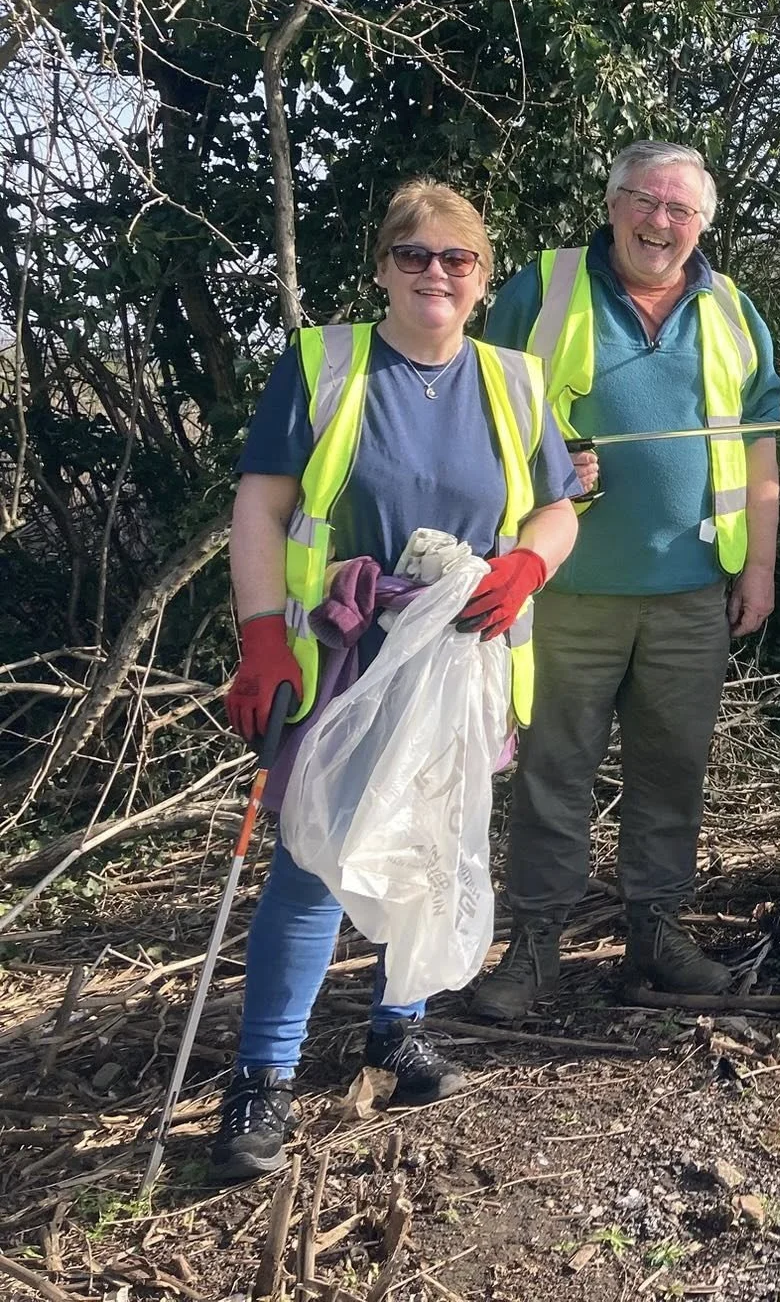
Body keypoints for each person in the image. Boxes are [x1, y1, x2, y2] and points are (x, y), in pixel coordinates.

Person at [217, 180, 582, 1178]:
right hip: (344, 655)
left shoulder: (513, 381)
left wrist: (527, 565)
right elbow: (260, 510)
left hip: (457, 659)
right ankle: (263, 1078)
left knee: (427, 839)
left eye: (455, 259)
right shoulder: (325, 367)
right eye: (414, 256)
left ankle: (397, 1027)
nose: (435, 274)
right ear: (382, 267)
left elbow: (558, 508)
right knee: (310, 861)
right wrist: (258, 636)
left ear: (481, 277)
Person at [471, 141, 780, 1018]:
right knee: (553, 771)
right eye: (646, 201)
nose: (661, 222)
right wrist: (547, 463)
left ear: (703, 225)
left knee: (672, 771)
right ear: (612, 205)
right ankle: (533, 946)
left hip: (692, 591)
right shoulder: (549, 285)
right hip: (567, 586)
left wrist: (758, 564)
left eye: (681, 210)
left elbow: (762, 445)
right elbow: (484, 405)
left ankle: (655, 934)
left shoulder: (731, 309)